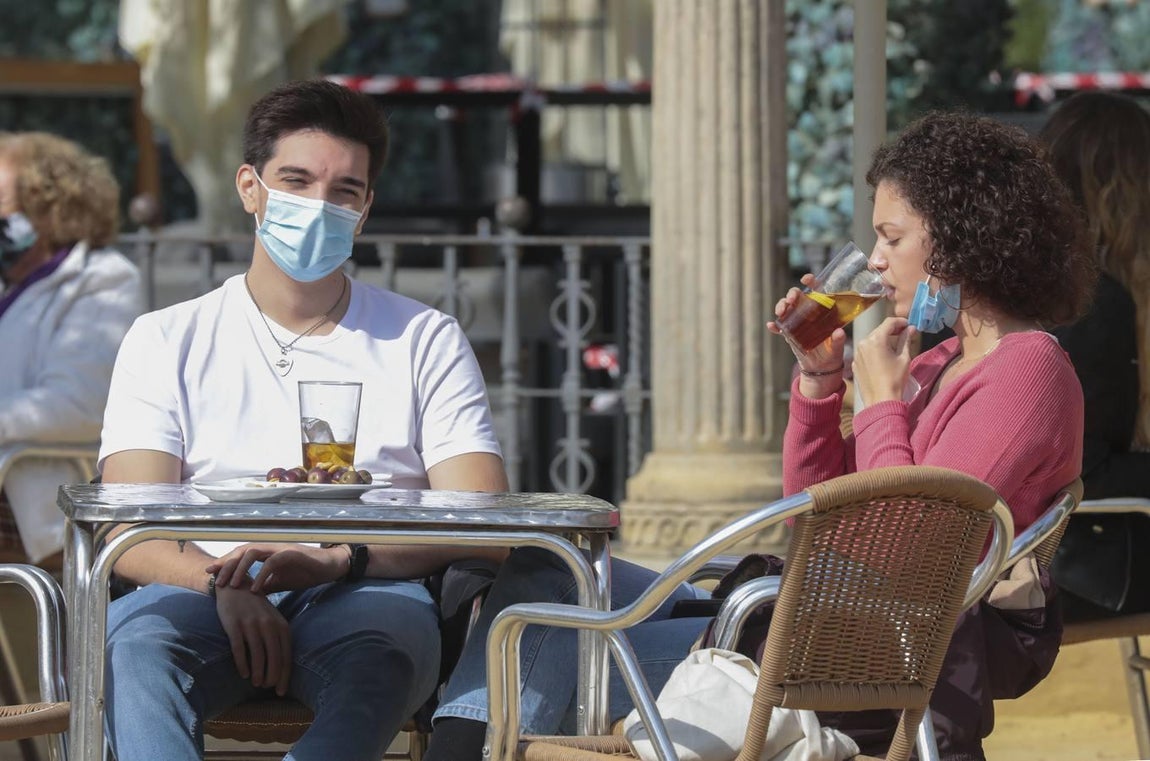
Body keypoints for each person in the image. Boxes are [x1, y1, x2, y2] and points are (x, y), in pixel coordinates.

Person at [423, 111, 1096, 761]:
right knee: (550, 569)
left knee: (533, 634)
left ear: (959, 236)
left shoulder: (1025, 370)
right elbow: (814, 519)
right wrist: (820, 383)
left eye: (892, 238)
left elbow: (905, 563)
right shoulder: (938, 361)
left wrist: (883, 403)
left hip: (882, 660)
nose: (876, 261)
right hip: (828, 635)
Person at [98, 78, 509, 761]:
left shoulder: (422, 339)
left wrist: (338, 560)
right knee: (135, 656)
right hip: (198, 585)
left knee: (382, 660)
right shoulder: (166, 338)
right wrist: (221, 582)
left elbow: (482, 518)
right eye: (296, 181)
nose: (319, 206)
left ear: (365, 208)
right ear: (250, 187)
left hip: (367, 586)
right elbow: (125, 522)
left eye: (344, 190)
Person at [0, 132, 142, 569]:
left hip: (33, 503)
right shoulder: (11, 284)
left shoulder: (104, 279)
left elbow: (80, 403)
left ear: (49, 203)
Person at [1038, 91, 1150, 620]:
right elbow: (1085, 473)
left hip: (1029, 555)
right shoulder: (1092, 305)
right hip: (1085, 564)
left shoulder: (1015, 286)